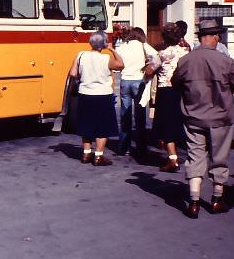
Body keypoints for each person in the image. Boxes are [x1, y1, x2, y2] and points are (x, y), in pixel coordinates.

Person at [172, 19, 234, 219]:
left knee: (195, 157)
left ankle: (194, 202)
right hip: (221, 118)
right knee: (219, 159)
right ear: (215, 37)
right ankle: (216, 200)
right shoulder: (225, 61)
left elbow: (175, 83)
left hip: (194, 116)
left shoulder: (185, 60)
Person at [69, 30, 124, 166]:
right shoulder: (106, 59)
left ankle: (86, 153)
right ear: (104, 44)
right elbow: (121, 65)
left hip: (85, 94)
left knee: (86, 123)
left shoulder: (81, 55)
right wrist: (112, 50)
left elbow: (73, 73)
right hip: (102, 95)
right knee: (102, 126)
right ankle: (99, 156)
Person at [115, 27, 159, 157]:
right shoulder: (143, 45)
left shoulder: (121, 47)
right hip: (139, 81)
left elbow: (118, 63)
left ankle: (124, 147)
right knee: (140, 116)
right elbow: (156, 56)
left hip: (125, 81)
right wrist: (149, 66)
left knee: (125, 114)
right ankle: (141, 147)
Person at [152, 23, 189, 173]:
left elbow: (150, 70)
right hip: (182, 89)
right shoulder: (186, 52)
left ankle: (172, 158)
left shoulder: (162, 54)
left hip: (165, 89)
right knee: (180, 120)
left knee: (166, 123)